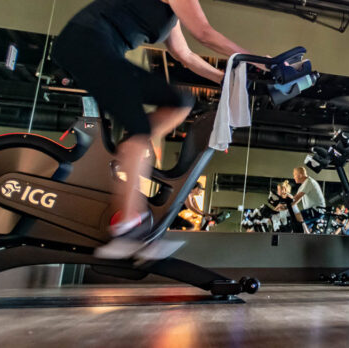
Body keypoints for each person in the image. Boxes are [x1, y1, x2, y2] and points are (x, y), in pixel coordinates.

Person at [52, 0, 265, 258]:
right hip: (85, 44)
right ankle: (126, 229)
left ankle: (130, 154)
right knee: (140, 130)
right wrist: (255, 61)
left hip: (95, 47)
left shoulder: (172, 15)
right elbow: (204, 34)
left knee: (179, 101)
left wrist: (226, 79)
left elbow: (184, 56)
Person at [291, 167, 325, 234]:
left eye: (294, 175)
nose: (293, 177)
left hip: (316, 211)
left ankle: (306, 233)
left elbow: (295, 199)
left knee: (295, 218)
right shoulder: (304, 184)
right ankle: (306, 234)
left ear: (300, 175)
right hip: (313, 211)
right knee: (297, 223)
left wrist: (284, 207)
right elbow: (294, 199)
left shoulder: (308, 182)